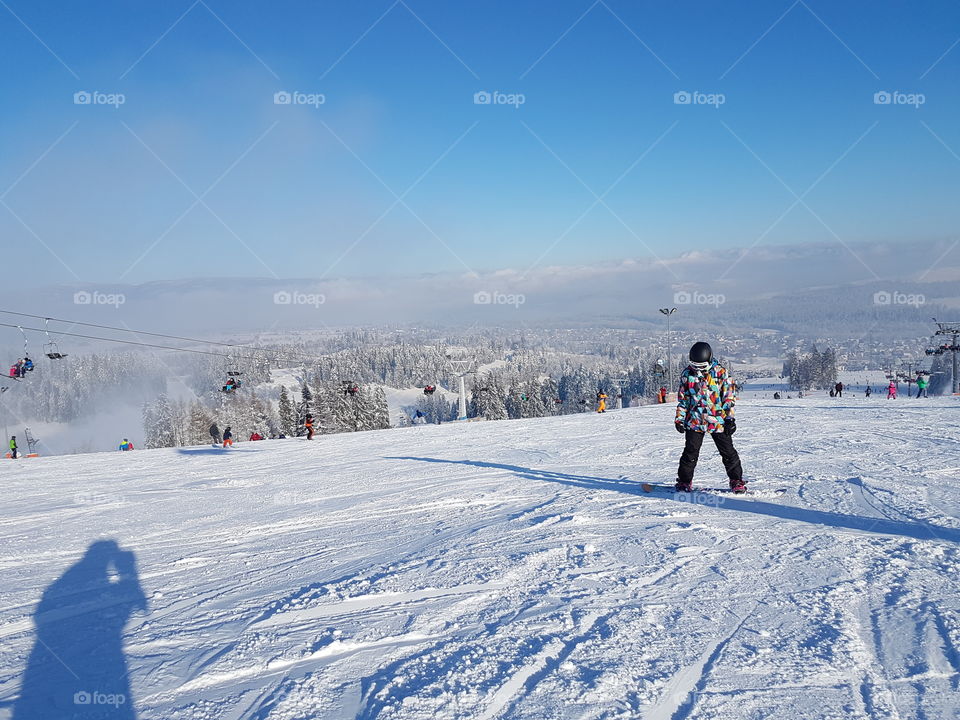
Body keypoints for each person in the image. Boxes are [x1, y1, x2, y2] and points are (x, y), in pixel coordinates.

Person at [674, 342, 745, 493]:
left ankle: (736, 480)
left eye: (702, 367)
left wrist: (729, 419)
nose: (698, 370)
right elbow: (683, 400)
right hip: (695, 420)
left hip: (717, 420)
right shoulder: (687, 375)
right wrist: (679, 419)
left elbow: (728, 398)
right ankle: (684, 481)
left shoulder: (721, 373)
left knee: (727, 451)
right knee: (690, 452)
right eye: (695, 366)